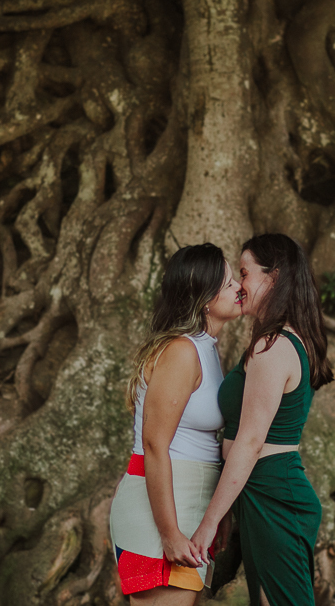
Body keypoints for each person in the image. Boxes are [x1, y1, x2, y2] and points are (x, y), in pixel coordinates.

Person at [191, 233, 333, 606]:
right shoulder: (278, 341)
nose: (239, 286)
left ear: (275, 276)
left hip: (274, 494)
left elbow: (251, 443)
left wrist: (208, 523)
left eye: (245, 273)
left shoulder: (274, 347)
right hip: (261, 493)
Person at [109, 243, 242, 605]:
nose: (239, 289)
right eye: (228, 283)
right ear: (203, 299)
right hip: (161, 512)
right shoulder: (181, 351)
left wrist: (219, 513)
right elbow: (154, 444)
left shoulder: (207, 348)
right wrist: (169, 533)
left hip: (189, 505)